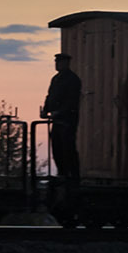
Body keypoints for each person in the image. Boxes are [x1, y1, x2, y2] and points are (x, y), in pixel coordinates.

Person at [42, 52, 83, 184]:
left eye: (59, 62)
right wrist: (46, 110)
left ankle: (73, 176)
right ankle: (62, 173)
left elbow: (72, 101)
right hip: (57, 120)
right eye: (56, 62)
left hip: (67, 120)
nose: (56, 64)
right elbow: (50, 96)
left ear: (65, 63)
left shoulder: (72, 80)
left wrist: (59, 112)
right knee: (57, 147)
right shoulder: (56, 79)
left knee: (68, 147)